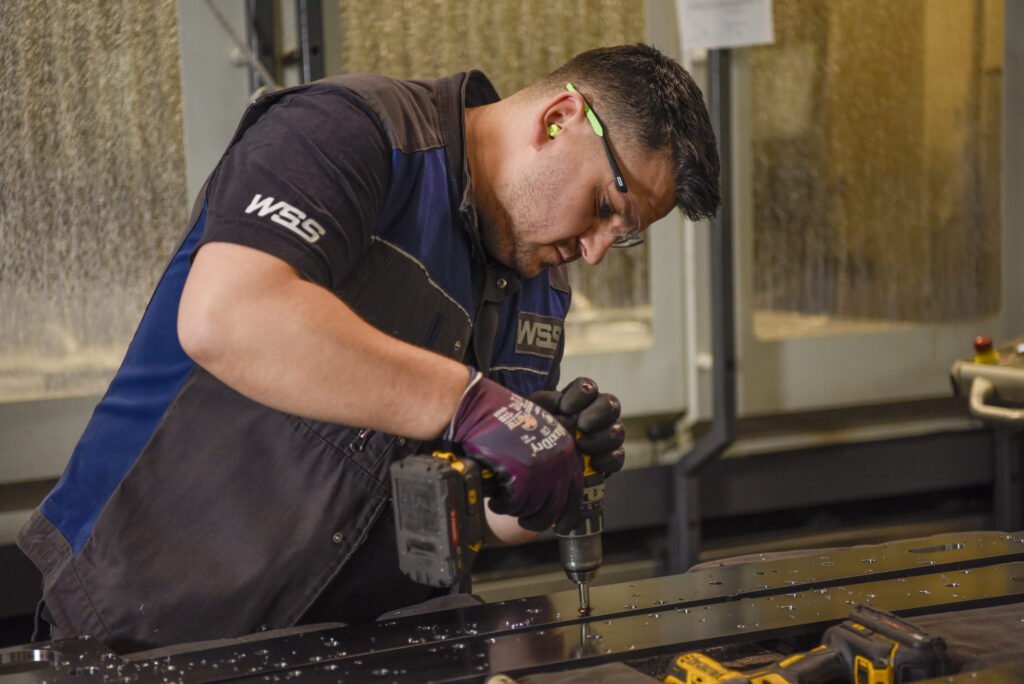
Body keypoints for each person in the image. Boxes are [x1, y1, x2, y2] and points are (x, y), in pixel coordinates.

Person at [18, 43, 721, 652]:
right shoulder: (350, 132)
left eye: (623, 235)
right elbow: (227, 315)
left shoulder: (540, 283)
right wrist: (470, 404)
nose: (595, 252)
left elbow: (478, 515)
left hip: (363, 642)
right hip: (148, 624)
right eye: (603, 207)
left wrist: (543, 467)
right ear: (559, 119)